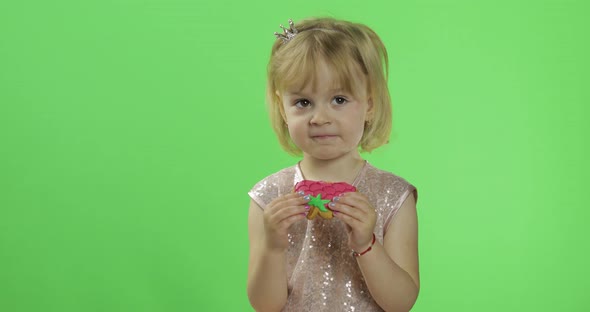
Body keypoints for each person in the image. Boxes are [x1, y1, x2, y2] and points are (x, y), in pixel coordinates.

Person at [247, 17, 419, 312]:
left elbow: (401, 302)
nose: (319, 118)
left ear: (370, 104)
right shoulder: (268, 197)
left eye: (339, 99)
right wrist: (272, 247)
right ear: (282, 109)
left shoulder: (394, 196)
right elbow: (265, 306)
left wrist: (367, 244)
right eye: (303, 102)